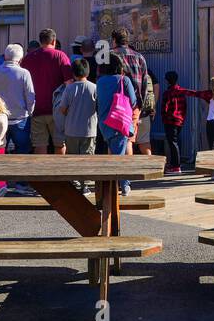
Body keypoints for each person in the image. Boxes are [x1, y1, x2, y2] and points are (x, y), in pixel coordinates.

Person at [21, 29, 73, 155]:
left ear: (40, 41)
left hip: (36, 108)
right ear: (54, 41)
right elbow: (69, 83)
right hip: (58, 108)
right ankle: (60, 171)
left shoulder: (28, 59)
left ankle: (40, 173)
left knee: (39, 145)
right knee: (60, 143)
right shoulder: (60, 56)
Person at [96, 53, 137, 197]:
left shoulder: (100, 81)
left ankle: (116, 185)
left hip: (104, 123)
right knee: (119, 156)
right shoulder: (124, 80)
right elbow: (133, 101)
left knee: (114, 151)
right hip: (119, 122)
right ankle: (123, 185)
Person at [109, 28, 153, 156]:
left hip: (113, 104)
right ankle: (127, 174)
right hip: (133, 106)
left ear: (114, 40)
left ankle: (115, 174)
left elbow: (101, 79)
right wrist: (140, 106)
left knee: (112, 140)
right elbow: (145, 84)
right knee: (128, 139)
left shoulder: (109, 56)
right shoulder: (139, 57)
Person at [58, 58, 99, 191]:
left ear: (73, 73)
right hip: (89, 129)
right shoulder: (94, 88)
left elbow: (62, 109)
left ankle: (74, 181)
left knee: (72, 157)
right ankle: (85, 184)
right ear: (87, 72)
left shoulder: (69, 88)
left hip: (71, 129)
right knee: (87, 157)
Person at [0, 44, 36, 157]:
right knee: (22, 152)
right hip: (20, 119)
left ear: (5, 56)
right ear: (20, 58)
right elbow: (30, 96)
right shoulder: (24, 73)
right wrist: (30, 112)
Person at [187, 77, 214, 154]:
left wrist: (182, 91)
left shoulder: (209, 95)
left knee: (212, 147)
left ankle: (212, 163)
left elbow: (196, 94)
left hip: (211, 123)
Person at [157, 71, 190, 174]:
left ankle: (176, 166)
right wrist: (182, 118)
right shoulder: (180, 91)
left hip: (170, 121)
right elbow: (184, 107)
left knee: (172, 143)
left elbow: (164, 108)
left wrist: (164, 118)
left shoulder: (167, 93)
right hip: (179, 121)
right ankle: (176, 164)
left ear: (167, 80)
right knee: (175, 142)